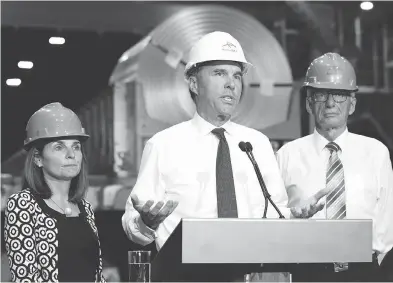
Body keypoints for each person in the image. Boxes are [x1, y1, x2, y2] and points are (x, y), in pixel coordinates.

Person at [121, 31, 323, 281]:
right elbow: (133, 224)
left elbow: (275, 214)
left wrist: (295, 216)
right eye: (220, 73)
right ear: (194, 84)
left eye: (237, 75)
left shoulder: (256, 144)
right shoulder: (163, 145)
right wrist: (148, 223)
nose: (232, 84)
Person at [276, 52, 393, 282]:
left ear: (352, 104)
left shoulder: (375, 152)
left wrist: (374, 261)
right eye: (321, 95)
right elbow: (274, 217)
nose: (330, 103)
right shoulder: (286, 155)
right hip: (305, 272)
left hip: (364, 272)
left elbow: (387, 216)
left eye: (339, 95)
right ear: (309, 103)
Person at [4, 102, 106, 282]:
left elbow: (95, 274)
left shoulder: (85, 207)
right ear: (38, 159)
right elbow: (25, 279)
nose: (71, 155)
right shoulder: (23, 205)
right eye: (59, 147)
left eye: (76, 146)